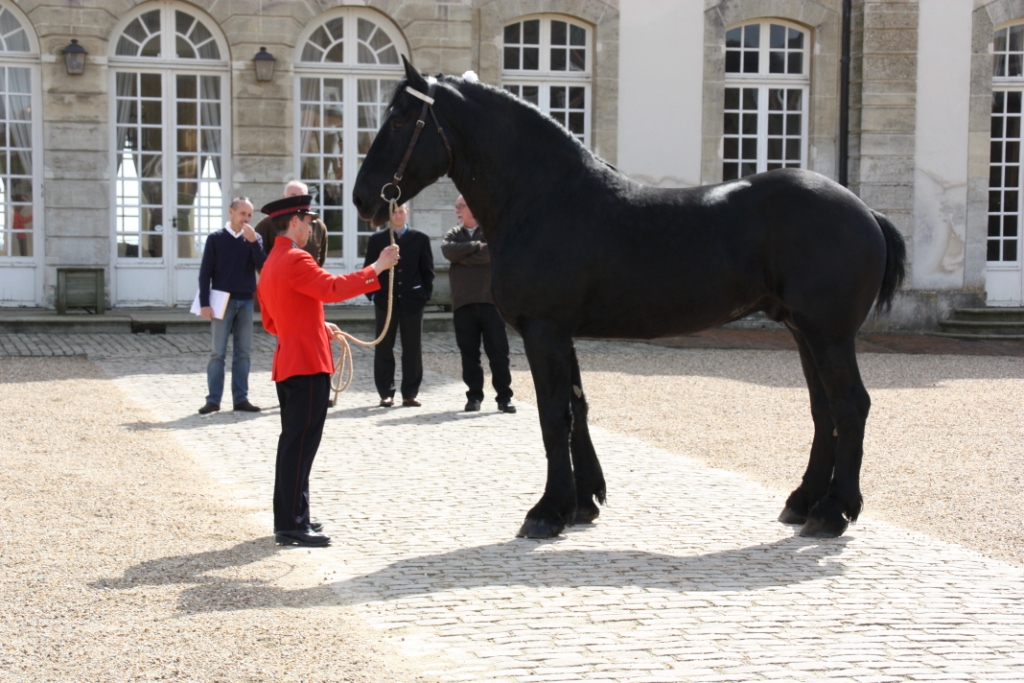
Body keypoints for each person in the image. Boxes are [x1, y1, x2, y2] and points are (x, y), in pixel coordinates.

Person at [257, 194, 399, 547]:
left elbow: (276, 321)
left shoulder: (273, 262)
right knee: (299, 446)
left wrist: (319, 327)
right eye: (307, 221)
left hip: (290, 360)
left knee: (296, 445)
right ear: (293, 222)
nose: (310, 227)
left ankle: (295, 516)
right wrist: (377, 267)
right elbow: (332, 289)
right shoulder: (294, 258)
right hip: (305, 364)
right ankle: (290, 524)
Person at [441, 195, 515, 414]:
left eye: (461, 206)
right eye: (456, 206)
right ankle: (474, 397)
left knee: (498, 353)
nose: (457, 210)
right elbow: (448, 251)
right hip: (463, 303)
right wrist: (475, 246)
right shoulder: (454, 234)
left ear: (473, 208)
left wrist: (463, 255)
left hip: (492, 303)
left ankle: (504, 397)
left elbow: (490, 254)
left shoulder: (491, 230)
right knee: (469, 355)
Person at [197, 197, 266, 415]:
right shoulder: (216, 239)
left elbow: (263, 267)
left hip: (245, 300)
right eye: (242, 214)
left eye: (249, 215)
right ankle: (213, 400)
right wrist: (205, 304)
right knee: (217, 353)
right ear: (231, 212)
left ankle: (241, 398)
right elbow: (205, 273)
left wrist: (255, 242)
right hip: (221, 301)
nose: (246, 219)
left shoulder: (254, 239)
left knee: (243, 353)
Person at [363, 203, 434, 407]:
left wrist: (424, 295)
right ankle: (386, 392)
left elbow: (427, 270)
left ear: (407, 213)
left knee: (412, 347)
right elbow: (369, 270)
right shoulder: (377, 240)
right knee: (384, 347)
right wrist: (373, 296)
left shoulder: (420, 239)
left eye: (400, 211)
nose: (397, 215)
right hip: (386, 301)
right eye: (394, 212)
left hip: (412, 302)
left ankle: (410, 392)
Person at [254, 180, 328, 267]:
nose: (297, 201)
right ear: (284, 198)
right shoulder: (268, 223)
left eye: (301, 197)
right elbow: (258, 256)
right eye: (293, 196)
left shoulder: (319, 226)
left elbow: (320, 260)